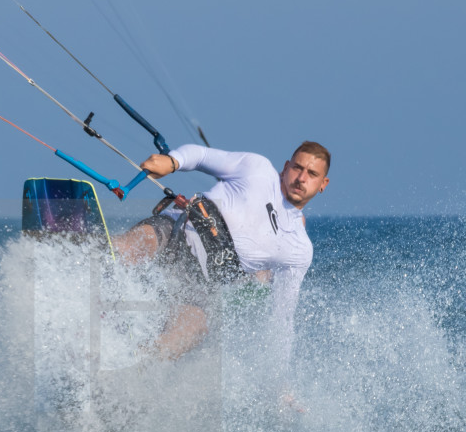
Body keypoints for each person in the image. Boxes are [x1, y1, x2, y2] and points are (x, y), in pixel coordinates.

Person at [111, 141, 330, 360]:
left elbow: (283, 318)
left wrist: (279, 384)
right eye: (297, 168)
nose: (301, 178)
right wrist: (173, 161)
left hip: (200, 282)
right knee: (135, 246)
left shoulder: (299, 249)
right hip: (176, 231)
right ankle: (86, 254)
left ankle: (133, 365)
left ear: (323, 184)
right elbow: (202, 155)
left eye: (312, 174)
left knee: (190, 331)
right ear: (285, 166)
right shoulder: (258, 170)